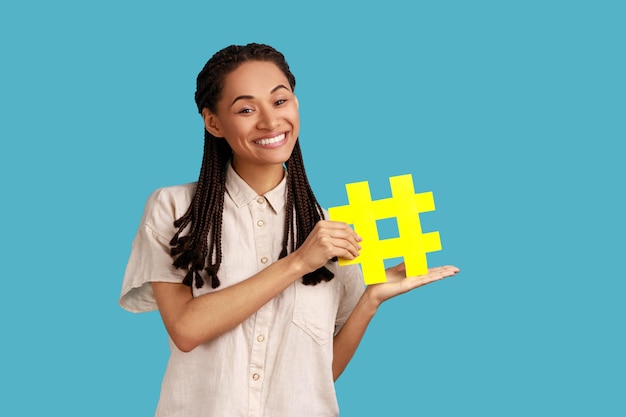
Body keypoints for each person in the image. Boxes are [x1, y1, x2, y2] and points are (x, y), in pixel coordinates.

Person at [119, 42, 459, 417]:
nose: (269, 121)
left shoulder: (333, 231)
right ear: (213, 122)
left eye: (280, 101)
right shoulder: (175, 208)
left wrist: (371, 299)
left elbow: (316, 378)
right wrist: (298, 262)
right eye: (246, 109)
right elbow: (185, 329)